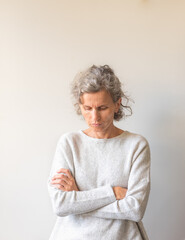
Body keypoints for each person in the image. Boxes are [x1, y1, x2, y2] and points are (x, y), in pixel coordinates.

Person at [48, 65, 151, 240]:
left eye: (102, 108)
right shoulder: (69, 143)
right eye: (87, 108)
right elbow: (61, 205)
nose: (94, 118)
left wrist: (79, 200)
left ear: (117, 104)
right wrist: (112, 193)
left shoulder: (136, 145)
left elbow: (134, 210)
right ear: (79, 106)